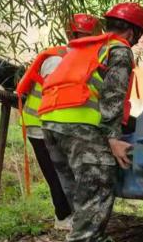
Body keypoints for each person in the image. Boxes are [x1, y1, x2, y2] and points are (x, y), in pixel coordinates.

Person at [38, 2, 143, 242]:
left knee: (77, 186)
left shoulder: (85, 47)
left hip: (50, 122)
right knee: (98, 186)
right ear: (133, 32)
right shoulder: (119, 49)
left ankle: (95, 240)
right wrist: (113, 138)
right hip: (81, 124)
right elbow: (113, 95)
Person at [15, 14, 100, 231]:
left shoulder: (76, 59)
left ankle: (72, 214)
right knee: (56, 172)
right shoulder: (58, 60)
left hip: (55, 123)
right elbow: (55, 95)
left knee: (65, 171)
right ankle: (62, 217)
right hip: (41, 124)